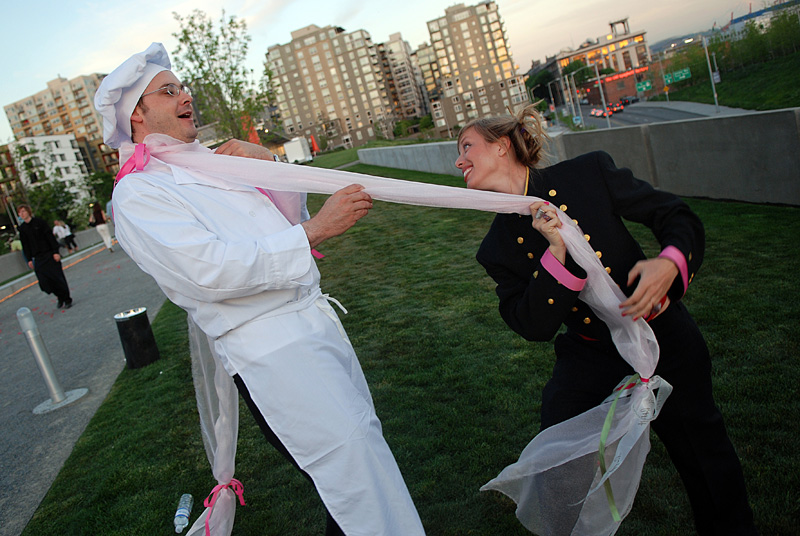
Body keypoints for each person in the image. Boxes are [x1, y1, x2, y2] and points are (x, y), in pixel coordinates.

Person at [94, 43, 424, 535]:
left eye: (182, 86)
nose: (185, 96)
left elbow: (282, 218)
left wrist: (264, 161)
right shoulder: (138, 192)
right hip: (272, 351)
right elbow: (206, 271)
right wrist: (315, 233)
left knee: (362, 462)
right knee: (354, 475)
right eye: (168, 91)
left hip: (314, 324)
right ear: (136, 116)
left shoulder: (205, 163)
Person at [455, 104, 758, 535]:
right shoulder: (496, 248)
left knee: (703, 455)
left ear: (502, 146)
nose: (459, 160)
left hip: (662, 333)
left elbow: (675, 214)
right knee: (556, 461)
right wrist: (555, 254)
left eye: (467, 146)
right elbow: (534, 325)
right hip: (589, 352)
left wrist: (670, 264)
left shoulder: (587, 173)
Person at [17, 205, 73, 309]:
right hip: (38, 258)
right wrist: (29, 259)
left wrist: (55, 252)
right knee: (44, 282)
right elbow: (25, 246)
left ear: (28, 211)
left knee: (57, 278)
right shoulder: (22, 229)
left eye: (24, 211)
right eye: (20, 213)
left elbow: (50, 237)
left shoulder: (39, 223)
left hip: (49, 255)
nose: (22, 214)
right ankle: (59, 296)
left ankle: (66, 299)